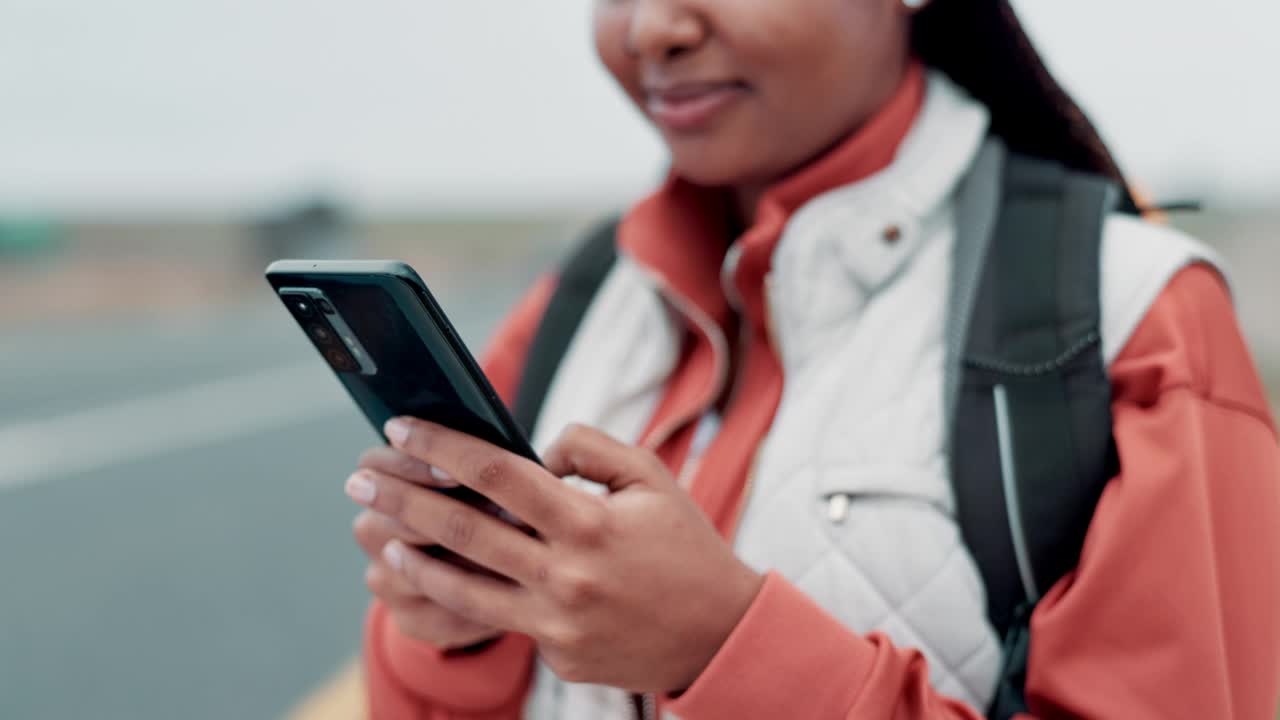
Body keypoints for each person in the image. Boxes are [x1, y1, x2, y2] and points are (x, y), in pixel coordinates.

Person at [342, 0, 1280, 718]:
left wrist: (722, 652)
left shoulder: (1131, 318)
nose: (653, 28)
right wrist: (450, 638)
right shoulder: (582, 301)